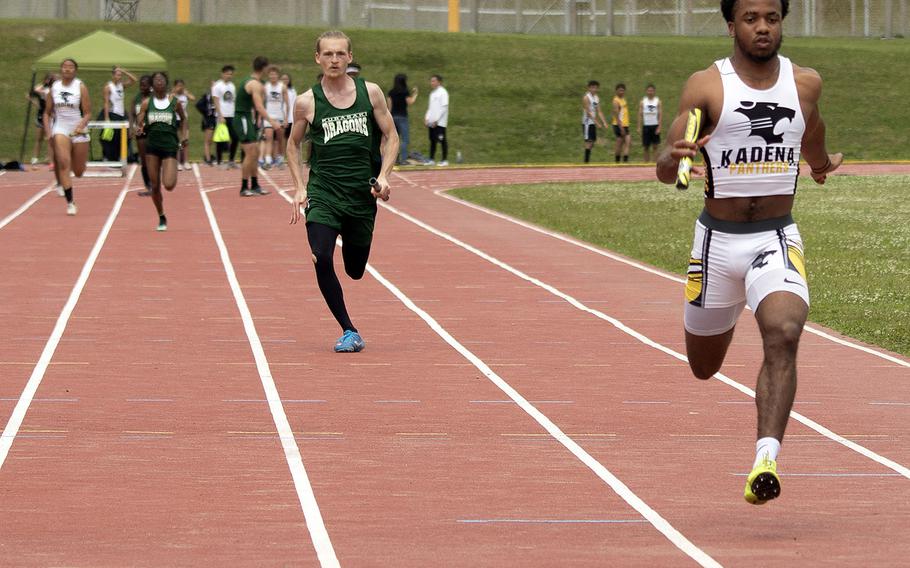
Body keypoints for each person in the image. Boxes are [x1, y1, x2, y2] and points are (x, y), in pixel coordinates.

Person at [656, 0, 842, 505]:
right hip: (716, 244)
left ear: (782, 23)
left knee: (784, 331)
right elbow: (666, 162)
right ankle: (733, 303)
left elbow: (812, 129)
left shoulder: (804, 83)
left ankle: (766, 459)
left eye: (772, 18)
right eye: (751, 19)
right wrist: (672, 159)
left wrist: (822, 164)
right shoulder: (706, 86)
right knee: (703, 367)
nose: (763, 28)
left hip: (774, 238)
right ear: (731, 24)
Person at [288, 30, 399, 353]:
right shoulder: (307, 102)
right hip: (323, 193)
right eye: (327, 54)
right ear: (317, 58)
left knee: (355, 268)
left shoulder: (371, 93)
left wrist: (385, 176)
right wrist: (299, 187)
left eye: (340, 54)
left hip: (361, 197)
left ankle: (354, 256)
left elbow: (391, 137)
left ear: (349, 58)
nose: (334, 59)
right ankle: (349, 330)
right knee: (320, 255)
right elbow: (292, 146)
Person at [136, 71, 188, 231]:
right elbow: (140, 121)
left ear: (166, 83)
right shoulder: (146, 103)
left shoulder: (174, 102)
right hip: (152, 147)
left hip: (170, 146)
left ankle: (170, 173)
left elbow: (184, 119)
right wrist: (139, 127)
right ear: (152, 85)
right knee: (155, 185)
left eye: (161, 79)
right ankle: (161, 216)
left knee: (169, 185)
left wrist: (184, 136)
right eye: (156, 80)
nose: (159, 82)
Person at [44, 58, 90, 216]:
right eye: (64, 67)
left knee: (78, 172)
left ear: (75, 70)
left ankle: (76, 162)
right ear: (61, 69)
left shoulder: (80, 87)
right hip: (61, 127)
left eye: (70, 67)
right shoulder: (54, 88)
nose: (67, 69)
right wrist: (48, 132)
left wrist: (81, 125)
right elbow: (47, 112)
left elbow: (88, 112)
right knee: (63, 163)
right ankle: (70, 202)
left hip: (78, 127)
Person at [234, 56, 281, 196]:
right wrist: (271, 121)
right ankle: (244, 187)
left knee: (254, 153)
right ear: (265, 68)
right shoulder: (254, 84)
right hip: (242, 117)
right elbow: (259, 106)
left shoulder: (258, 83)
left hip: (248, 118)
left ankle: (254, 184)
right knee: (250, 153)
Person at [100, 66, 137, 163]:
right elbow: (106, 103)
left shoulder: (121, 85)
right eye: (117, 75)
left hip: (122, 114)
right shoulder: (108, 87)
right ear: (113, 75)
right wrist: (107, 118)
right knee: (111, 137)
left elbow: (134, 80)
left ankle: (122, 156)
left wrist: (124, 71)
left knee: (125, 136)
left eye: (120, 75)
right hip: (113, 114)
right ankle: (108, 157)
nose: (119, 77)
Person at [261, 65, 289, 169]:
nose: (273, 76)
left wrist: (286, 118)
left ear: (278, 75)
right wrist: (261, 117)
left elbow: (287, 104)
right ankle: (268, 161)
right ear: (268, 76)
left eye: (275, 74)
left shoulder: (282, 87)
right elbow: (262, 103)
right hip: (269, 117)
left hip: (280, 116)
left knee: (280, 139)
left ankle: (280, 160)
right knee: (269, 138)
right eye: (271, 74)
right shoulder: (265, 87)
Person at [387, 73, 418, 165]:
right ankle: (403, 159)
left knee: (394, 139)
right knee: (405, 139)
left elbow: (389, 107)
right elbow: (410, 102)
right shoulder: (405, 92)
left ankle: (394, 159)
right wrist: (415, 94)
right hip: (402, 117)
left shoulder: (391, 92)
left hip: (393, 117)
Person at [130, 75, 153, 195]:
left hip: (152, 131)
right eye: (141, 85)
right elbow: (132, 114)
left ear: (150, 86)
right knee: (144, 160)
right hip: (140, 132)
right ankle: (148, 186)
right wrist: (131, 128)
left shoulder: (154, 98)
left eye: (145, 85)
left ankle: (154, 185)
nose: (142, 87)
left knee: (153, 159)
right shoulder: (136, 98)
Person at [28, 73, 56, 171]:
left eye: (51, 79)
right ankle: (34, 160)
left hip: (50, 117)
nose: (49, 81)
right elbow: (30, 94)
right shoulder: (42, 89)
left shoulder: (54, 90)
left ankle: (51, 161)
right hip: (41, 116)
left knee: (50, 139)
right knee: (39, 139)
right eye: (48, 79)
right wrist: (36, 104)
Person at [212, 65, 238, 167]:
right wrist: (220, 115)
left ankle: (231, 160)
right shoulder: (217, 86)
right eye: (227, 73)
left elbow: (233, 101)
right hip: (221, 115)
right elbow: (216, 100)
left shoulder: (232, 86)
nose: (229, 76)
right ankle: (219, 161)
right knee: (220, 138)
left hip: (231, 115)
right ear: (222, 74)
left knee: (235, 138)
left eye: (231, 74)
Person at [424, 74, 449, 166]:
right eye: (431, 81)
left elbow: (444, 107)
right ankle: (431, 159)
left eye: (434, 81)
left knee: (442, 140)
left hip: (440, 123)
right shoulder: (432, 93)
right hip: (431, 122)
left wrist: (437, 120)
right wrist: (427, 118)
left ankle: (444, 160)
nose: (432, 83)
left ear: (439, 82)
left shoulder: (443, 92)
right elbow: (430, 108)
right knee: (432, 141)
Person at [171, 79, 195, 170]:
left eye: (182, 85)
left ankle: (186, 161)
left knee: (185, 141)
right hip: (175, 120)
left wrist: (186, 93)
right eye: (178, 85)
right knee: (177, 142)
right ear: (175, 86)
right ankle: (177, 162)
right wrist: (174, 92)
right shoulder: (172, 95)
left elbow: (193, 98)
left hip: (184, 120)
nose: (180, 87)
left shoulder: (185, 94)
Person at [582, 80, 607, 163]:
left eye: (596, 88)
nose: (594, 89)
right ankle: (586, 162)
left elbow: (599, 111)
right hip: (587, 123)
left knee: (592, 142)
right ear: (589, 88)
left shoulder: (596, 97)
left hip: (593, 122)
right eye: (592, 87)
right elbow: (588, 112)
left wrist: (604, 122)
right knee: (588, 141)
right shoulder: (586, 97)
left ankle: (587, 159)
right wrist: (597, 123)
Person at [638, 83, 662, 162]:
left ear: (654, 91)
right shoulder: (643, 102)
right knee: (646, 146)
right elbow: (640, 115)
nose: (650, 92)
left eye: (652, 90)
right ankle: (646, 163)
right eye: (649, 90)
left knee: (655, 146)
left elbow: (660, 114)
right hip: (646, 126)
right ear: (646, 91)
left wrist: (659, 126)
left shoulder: (657, 101)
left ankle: (655, 163)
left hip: (655, 125)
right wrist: (639, 127)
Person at [195, 80, 217, 165]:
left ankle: (211, 156)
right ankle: (207, 159)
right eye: (213, 86)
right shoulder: (207, 96)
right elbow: (198, 105)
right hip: (209, 120)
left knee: (215, 140)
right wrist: (206, 112)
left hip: (217, 119)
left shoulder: (218, 96)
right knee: (208, 140)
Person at [611, 83, 631, 162]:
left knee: (627, 141)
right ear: (616, 91)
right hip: (618, 124)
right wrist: (621, 127)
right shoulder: (616, 101)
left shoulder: (623, 99)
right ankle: (618, 161)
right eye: (620, 90)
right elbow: (616, 115)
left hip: (625, 124)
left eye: (623, 90)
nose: (621, 92)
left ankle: (624, 160)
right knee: (620, 143)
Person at [281, 73, 297, 164]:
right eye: (283, 79)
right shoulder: (278, 90)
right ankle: (281, 156)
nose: (285, 81)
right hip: (282, 117)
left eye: (286, 79)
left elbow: (295, 103)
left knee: (290, 139)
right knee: (282, 138)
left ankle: (290, 156)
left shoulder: (292, 90)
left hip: (291, 117)